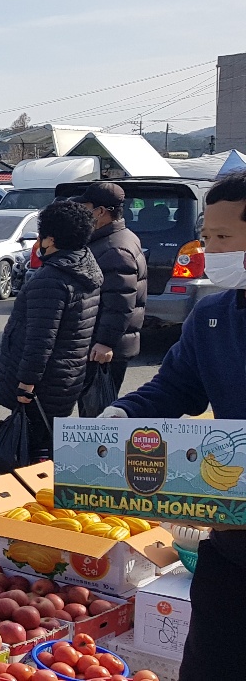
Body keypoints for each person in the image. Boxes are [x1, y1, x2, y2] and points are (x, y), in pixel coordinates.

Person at [99, 171, 246, 681]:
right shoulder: (213, 316)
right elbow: (173, 389)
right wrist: (117, 417)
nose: (210, 251)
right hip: (232, 535)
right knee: (212, 662)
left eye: (223, 239)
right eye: (207, 237)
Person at [0, 200, 101, 461]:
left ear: (50, 239)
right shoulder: (86, 267)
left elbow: (40, 339)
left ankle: (37, 494)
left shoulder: (51, 280)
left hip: (45, 380)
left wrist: (26, 384)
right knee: (47, 437)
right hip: (68, 374)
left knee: (34, 444)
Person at [72, 182, 146, 398]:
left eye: (85, 208)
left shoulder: (115, 248)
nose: (82, 213)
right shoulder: (112, 239)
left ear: (101, 211)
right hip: (100, 345)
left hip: (103, 351)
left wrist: (105, 342)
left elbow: (120, 302)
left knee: (98, 418)